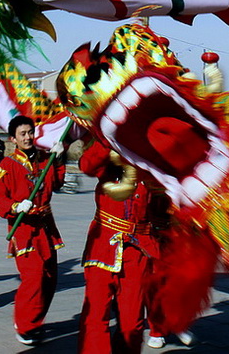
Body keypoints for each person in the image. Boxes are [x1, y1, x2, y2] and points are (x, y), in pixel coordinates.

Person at [0, 115, 66, 346]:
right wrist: (14, 206)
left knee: (50, 277)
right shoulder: (8, 164)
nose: (28, 137)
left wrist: (59, 160)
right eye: (23, 134)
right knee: (33, 276)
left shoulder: (44, 160)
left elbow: (57, 184)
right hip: (23, 228)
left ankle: (35, 320)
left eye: (30, 132)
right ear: (13, 138)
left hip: (45, 227)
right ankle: (24, 325)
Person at [77, 139, 159, 354]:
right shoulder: (109, 157)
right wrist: (109, 137)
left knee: (132, 322)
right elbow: (87, 164)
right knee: (96, 316)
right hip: (103, 245)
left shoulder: (154, 165)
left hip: (139, 251)